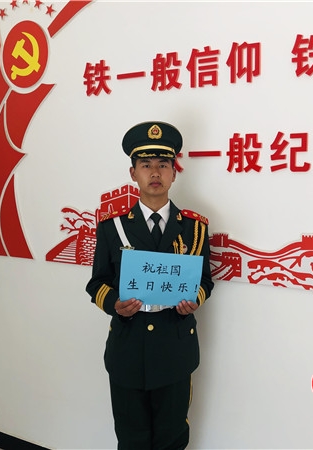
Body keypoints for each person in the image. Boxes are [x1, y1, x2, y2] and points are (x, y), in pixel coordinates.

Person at [86, 121, 214, 450]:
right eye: (146, 165)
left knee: (172, 437)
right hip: (128, 348)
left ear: (173, 173)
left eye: (163, 165)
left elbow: (204, 281)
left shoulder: (195, 229)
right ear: (133, 173)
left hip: (175, 347)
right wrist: (115, 303)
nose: (155, 172)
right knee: (132, 437)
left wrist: (195, 300)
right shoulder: (112, 228)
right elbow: (97, 283)